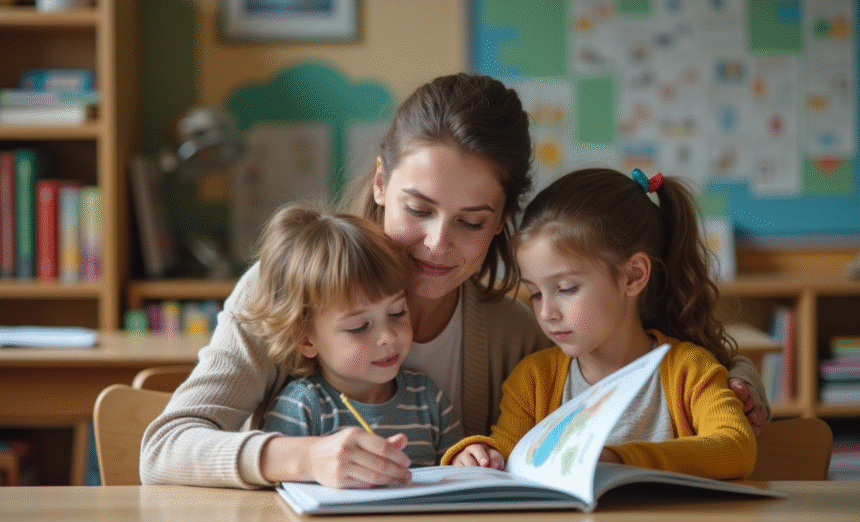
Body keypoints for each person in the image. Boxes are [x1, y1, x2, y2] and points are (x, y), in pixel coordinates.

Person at [141, 73, 768, 489]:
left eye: (472, 221)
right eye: (418, 209)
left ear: (501, 225)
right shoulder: (285, 287)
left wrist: (737, 380)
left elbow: (637, 366)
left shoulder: (514, 330)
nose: (437, 245)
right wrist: (300, 457)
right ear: (382, 183)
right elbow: (164, 447)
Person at [445, 168, 756, 480]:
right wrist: (479, 454)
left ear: (633, 276)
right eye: (536, 293)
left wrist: (619, 460)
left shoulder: (689, 370)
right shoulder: (534, 381)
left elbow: (735, 447)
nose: (546, 312)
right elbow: (508, 453)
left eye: (566, 288)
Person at [247, 205, 462, 488]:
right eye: (360, 326)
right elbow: (281, 495)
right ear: (306, 339)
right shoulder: (302, 407)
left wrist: (469, 458)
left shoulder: (428, 399)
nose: (387, 336)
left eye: (397, 313)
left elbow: (456, 475)